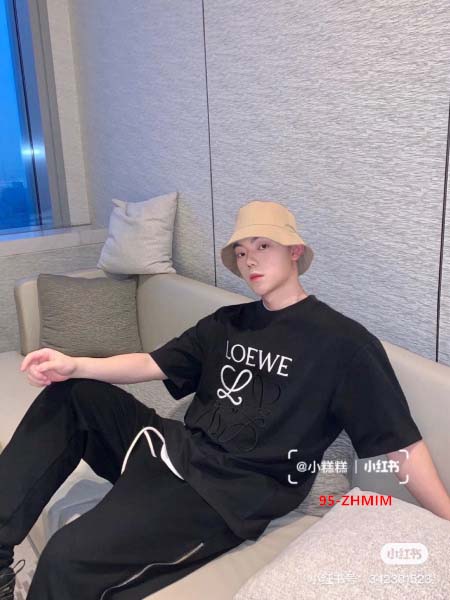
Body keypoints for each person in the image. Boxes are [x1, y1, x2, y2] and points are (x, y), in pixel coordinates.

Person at [1, 200, 449, 599]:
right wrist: (74, 364)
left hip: (226, 493)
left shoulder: (343, 344)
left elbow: (401, 445)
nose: (250, 259)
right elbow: (152, 363)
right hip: (174, 449)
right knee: (74, 395)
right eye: (241, 251)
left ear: (294, 251)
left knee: (66, 557)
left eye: (263, 246)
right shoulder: (228, 322)